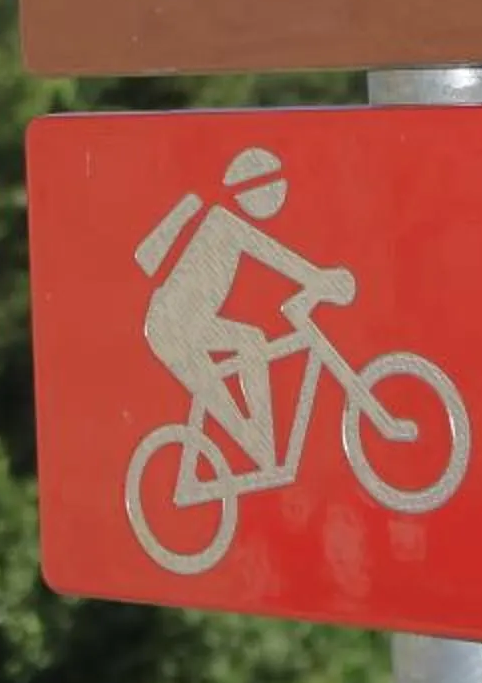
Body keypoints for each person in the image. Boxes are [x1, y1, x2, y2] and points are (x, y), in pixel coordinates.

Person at [132, 146, 353, 471]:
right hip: (172, 327)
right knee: (237, 407)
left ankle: (262, 450)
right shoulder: (222, 223)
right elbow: (266, 251)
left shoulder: (218, 224)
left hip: (191, 324)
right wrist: (315, 277)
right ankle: (260, 450)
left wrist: (315, 279)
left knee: (251, 341)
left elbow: (263, 249)